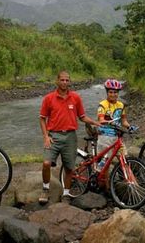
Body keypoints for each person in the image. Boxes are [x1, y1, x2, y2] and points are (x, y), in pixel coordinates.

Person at [39, 71, 100, 204]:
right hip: (53, 136)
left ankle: (66, 194)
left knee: (69, 168)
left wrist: (95, 122)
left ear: (70, 82)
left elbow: (82, 117)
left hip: (70, 136)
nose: (65, 82)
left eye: (67, 80)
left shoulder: (75, 98)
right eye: (62, 80)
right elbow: (42, 119)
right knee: (46, 163)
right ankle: (45, 189)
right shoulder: (49, 98)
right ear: (57, 81)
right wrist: (45, 137)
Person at [96, 79, 136, 172]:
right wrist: (108, 122)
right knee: (104, 166)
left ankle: (132, 182)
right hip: (105, 137)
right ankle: (104, 186)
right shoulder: (102, 105)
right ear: (107, 92)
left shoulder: (121, 105)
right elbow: (100, 119)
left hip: (117, 136)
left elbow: (123, 120)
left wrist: (129, 126)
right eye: (111, 92)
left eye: (115, 92)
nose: (113, 94)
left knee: (125, 160)